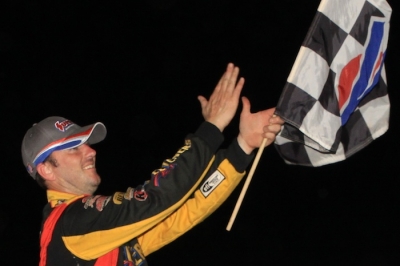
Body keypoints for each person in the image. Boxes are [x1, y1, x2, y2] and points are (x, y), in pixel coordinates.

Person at [21, 63, 284, 265]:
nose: (90, 151)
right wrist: (212, 128)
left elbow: (181, 213)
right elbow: (158, 197)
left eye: (87, 144)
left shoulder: (100, 232)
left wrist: (242, 147)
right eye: (74, 148)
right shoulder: (71, 224)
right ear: (46, 169)